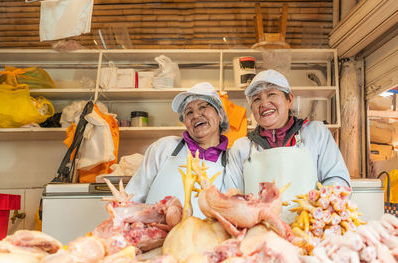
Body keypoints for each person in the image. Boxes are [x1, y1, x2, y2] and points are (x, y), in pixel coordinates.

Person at [225, 69, 351, 223]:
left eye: (271, 94)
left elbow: (337, 181)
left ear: (289, 99)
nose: (264, 103)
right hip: (259, 236)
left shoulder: (316, 134)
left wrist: (318, 214)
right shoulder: (241, 148)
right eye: (256, 99)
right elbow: (233, 198)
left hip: (309, 232)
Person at [125, 82, 229, 219]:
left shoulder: (231, 161)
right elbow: (132, 198)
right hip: (155, 234)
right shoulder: (164, 148)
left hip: (206, 238)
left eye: (203, 107)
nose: (196, 115)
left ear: (220, 114)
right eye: (189, 112)